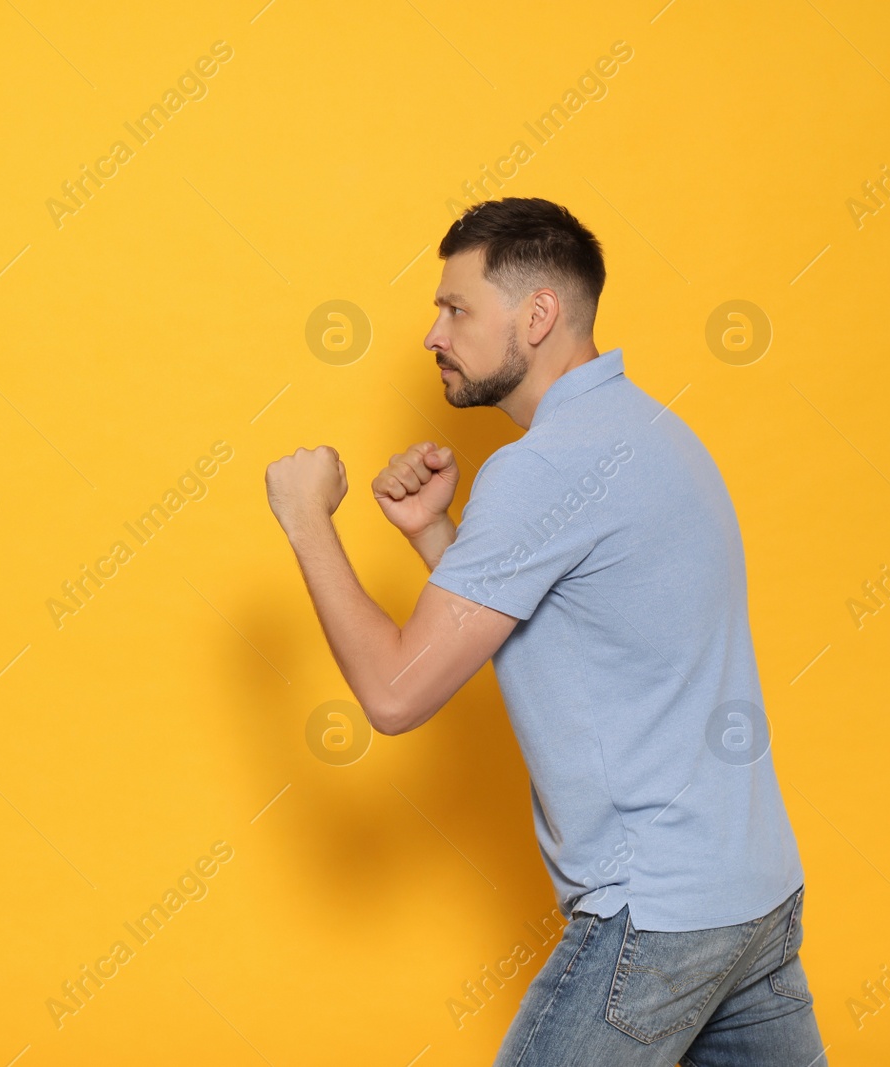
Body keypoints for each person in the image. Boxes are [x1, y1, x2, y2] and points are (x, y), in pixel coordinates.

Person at [264, 197, 825, 1065]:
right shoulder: (654, 430)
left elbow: (394, 693)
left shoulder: (544, 469)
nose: (432, 334)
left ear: (537, 313)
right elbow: (578, 651)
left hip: (659, 912)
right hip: (751, 893)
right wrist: (433, 536)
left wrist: (307, 521)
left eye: (455, 308)